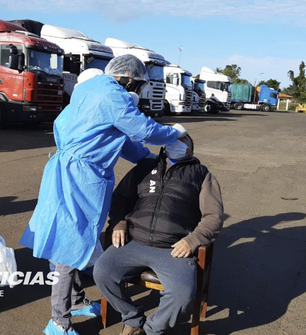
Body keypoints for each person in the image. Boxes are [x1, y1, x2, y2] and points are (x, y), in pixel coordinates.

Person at [19, 55, 188, 335]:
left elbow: (126, 145)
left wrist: (154, 161)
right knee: (68, 250)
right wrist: (173, 134)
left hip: (70, 172)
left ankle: (74, 300)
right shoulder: (112, 94)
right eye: (138, 86)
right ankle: (58, 323)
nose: (136, 92)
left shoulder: (90, 91)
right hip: (78, 179)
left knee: (75, 243)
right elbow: (143, 129)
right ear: (129, 78)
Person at [93, 135, 224, 335]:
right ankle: (133, 319)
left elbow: (213, 216)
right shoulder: (145, 166)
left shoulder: (202, 175)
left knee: (182, 294)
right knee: (102, 272)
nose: (176, 144)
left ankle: (152, 329)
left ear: (191, 152)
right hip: (134, 240)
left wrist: (193, 240)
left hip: (174, 248)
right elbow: (120, 197)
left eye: (183, 142)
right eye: (173, 139)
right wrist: (119, 221)